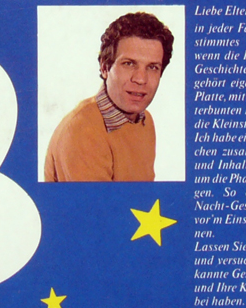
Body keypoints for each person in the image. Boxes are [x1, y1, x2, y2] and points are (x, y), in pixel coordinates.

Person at [43, 12, 173, 182]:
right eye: (129, 64)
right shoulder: (82, 131)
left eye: (152, 67)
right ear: (105, 68)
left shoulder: (145, 120)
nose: (141, 79)